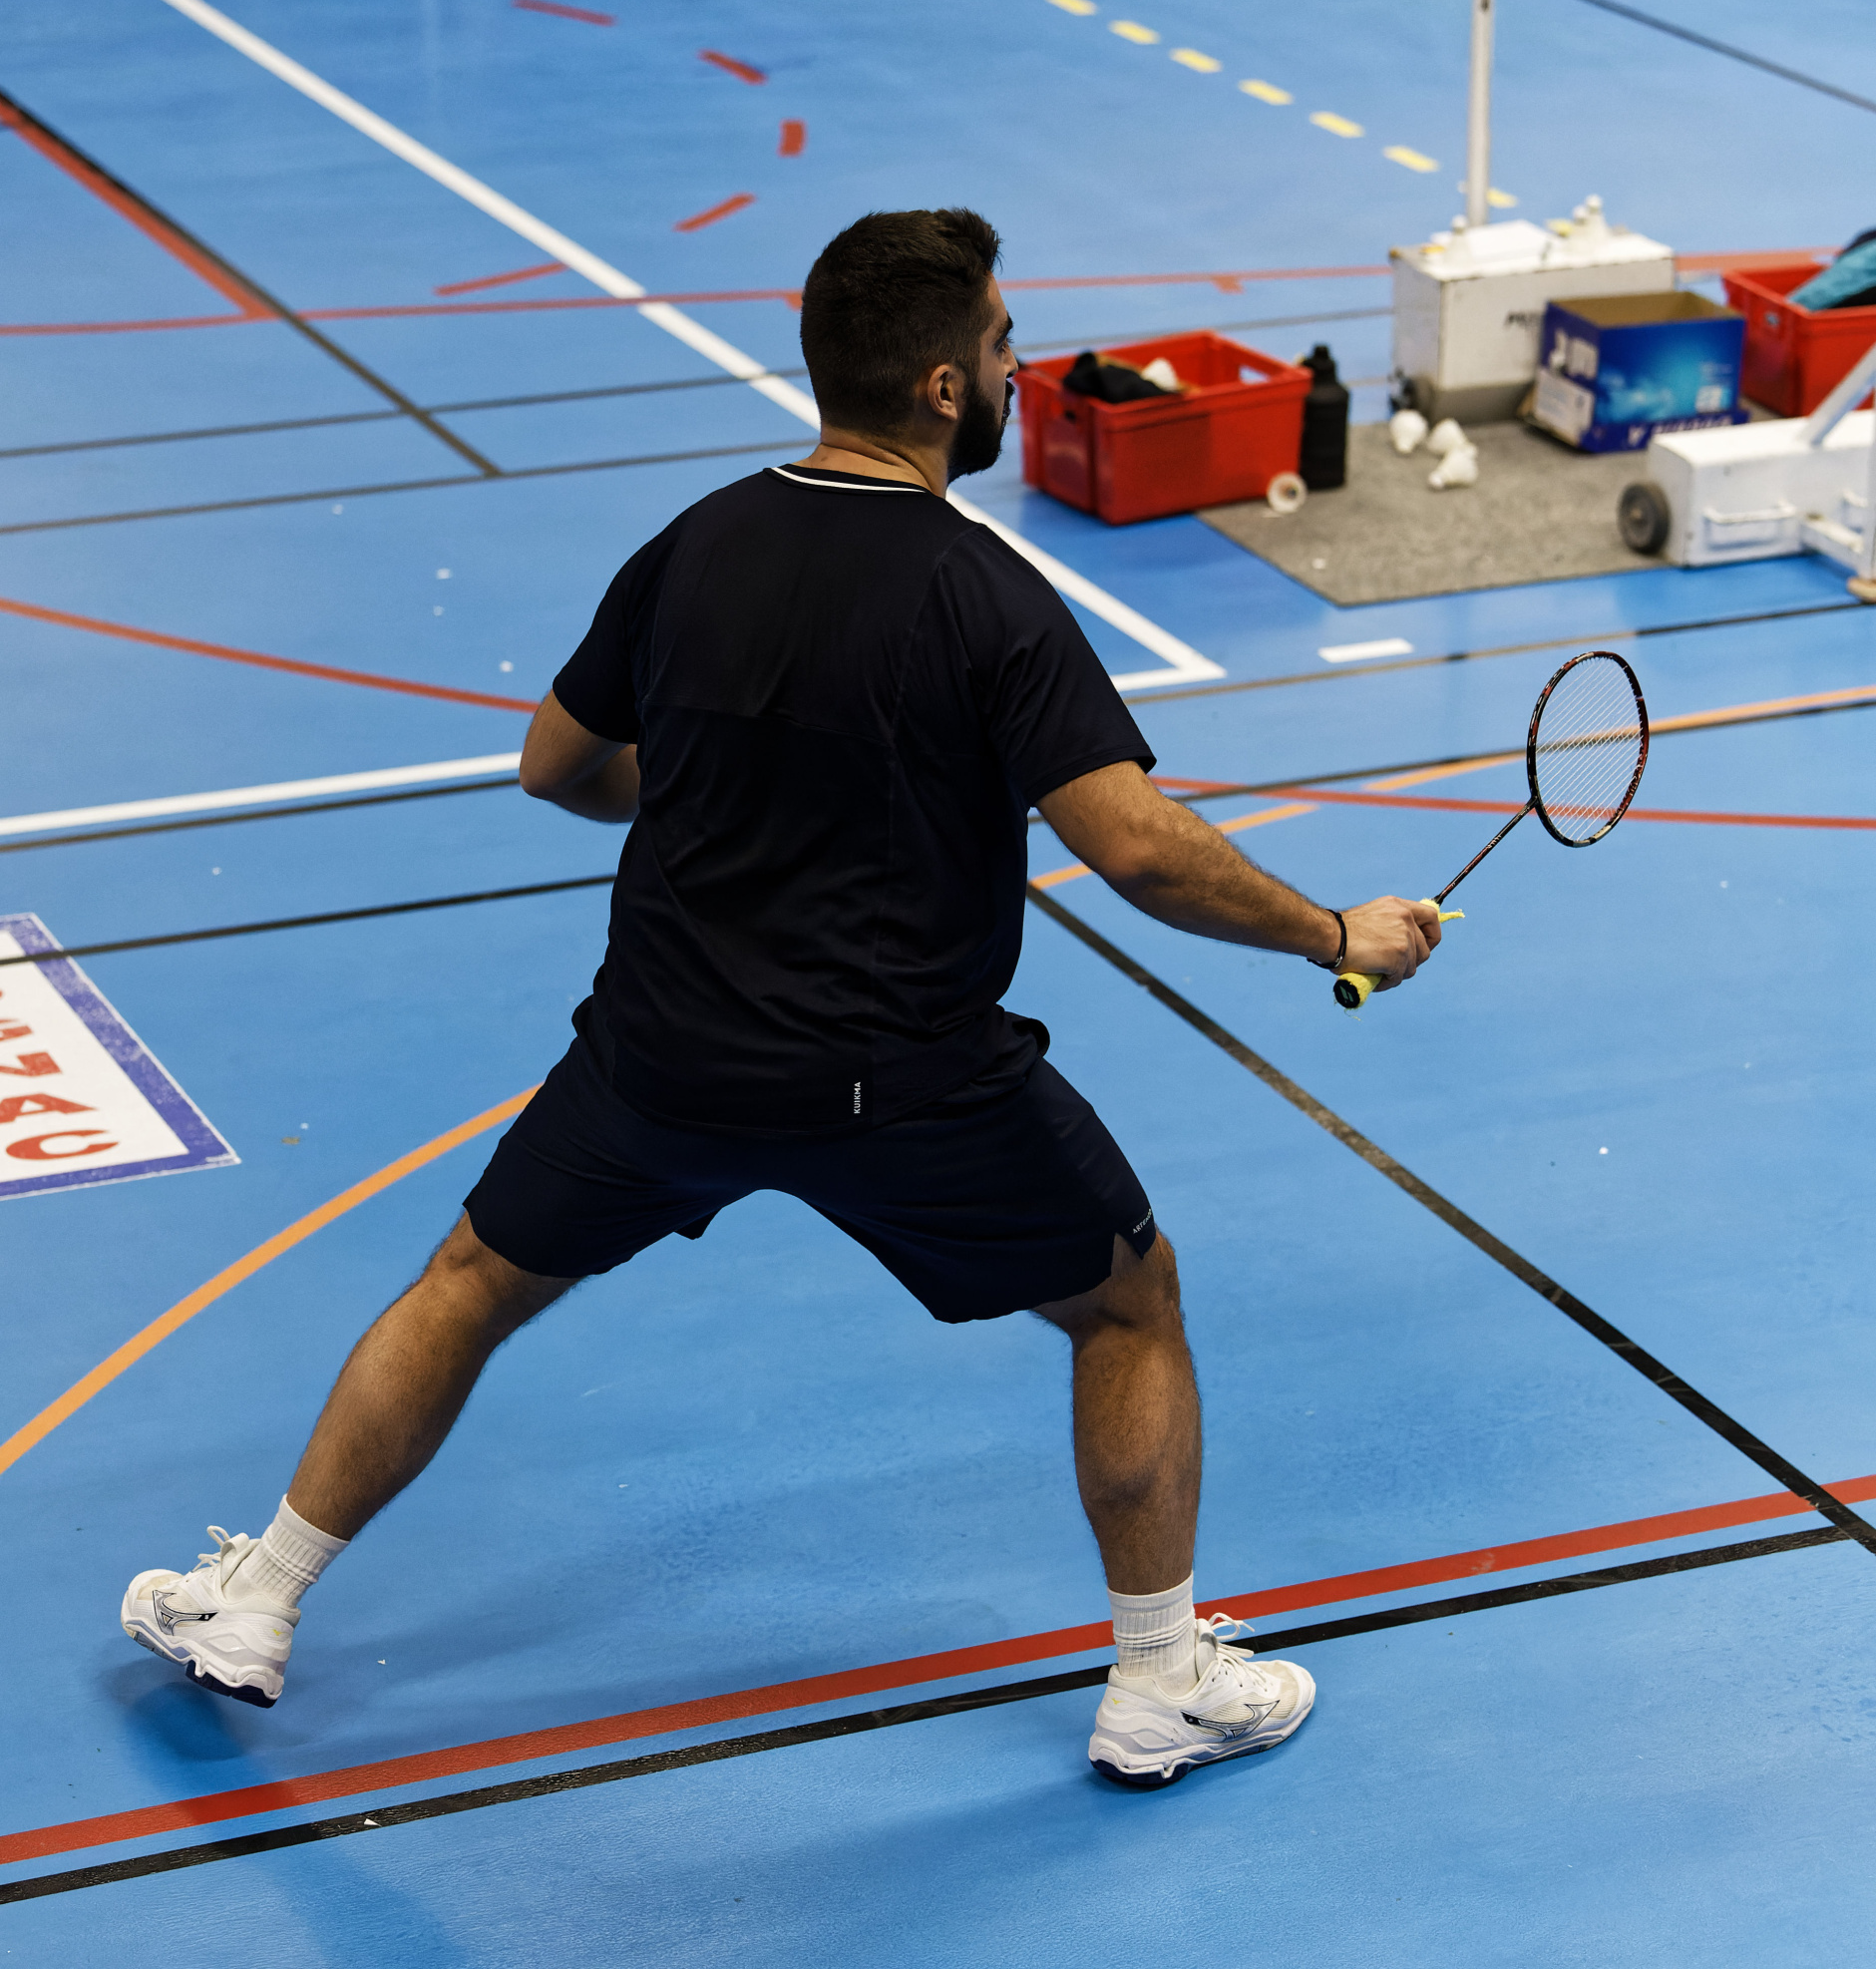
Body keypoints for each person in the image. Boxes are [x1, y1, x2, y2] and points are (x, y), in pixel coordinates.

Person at [122, 208, 1439, 1787]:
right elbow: (1139, 850)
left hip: (663, 1058)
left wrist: (697, 784)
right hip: (904, 1082)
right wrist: (1332, 933)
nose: (1016, 366)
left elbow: (557, 767)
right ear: (944, 387)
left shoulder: (695, 546)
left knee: (470, 1279)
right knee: (1125, 1304)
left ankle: (255, 1601)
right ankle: (1160, 1680)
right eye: (1003, 343)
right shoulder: (987, 595)